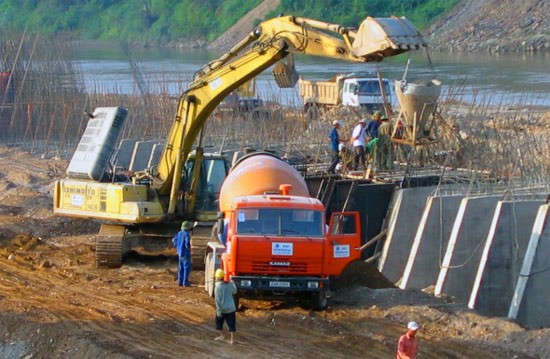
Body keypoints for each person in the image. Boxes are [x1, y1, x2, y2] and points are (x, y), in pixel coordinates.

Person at [213, 268, 238, 344]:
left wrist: (219, 311)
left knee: (219, 323)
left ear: (217, 278)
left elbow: (217, 301)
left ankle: (222, 335)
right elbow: (235, 291)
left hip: (222, 309)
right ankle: (232, 340)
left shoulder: (217, 288)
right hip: (231, 308)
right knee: (231, 324)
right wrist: (232, 283)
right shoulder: (229, 284)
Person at [172, 221, 193, 287]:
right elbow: (187, 243)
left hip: (180, 253)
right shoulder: (186, 234)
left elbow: (173, 240)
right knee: (186, 268)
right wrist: (188, 248)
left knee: (181, 268)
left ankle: (180, 282)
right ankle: (185, 282)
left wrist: (177, 246)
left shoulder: (179, 233)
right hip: (185, 253)